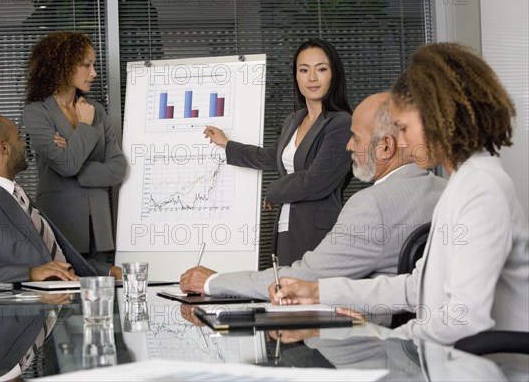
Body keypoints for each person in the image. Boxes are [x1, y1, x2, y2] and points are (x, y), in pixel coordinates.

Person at [271, 43, 529, 344]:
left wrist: (377, 335)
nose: (401, 142)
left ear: (438, 117)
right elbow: (417, 287)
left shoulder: (481, 190)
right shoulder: (462, 184)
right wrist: (318, 291)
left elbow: (462, 321)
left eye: (404, 127)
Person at [180, 92, 446, 298]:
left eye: (355, 137)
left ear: (385, 147)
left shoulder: (371, 205)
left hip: (370, 344)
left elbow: (303, 279)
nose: (348, 145)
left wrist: (213, 282)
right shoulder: (443, 192)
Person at [203, 39, 352, 265]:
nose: (312, 78)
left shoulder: (341, 123)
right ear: (296, 76)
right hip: (286, 226)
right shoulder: (294, 120)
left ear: (334, 75)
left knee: (308, 298)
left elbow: (316, 179)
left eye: (321, 69)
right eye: (304, 70)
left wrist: (273, 191)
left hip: (318, 233)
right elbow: (274, 157)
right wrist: (227, 144)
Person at [0, 115, 122, 286]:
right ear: (4, 148)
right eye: (19, 138)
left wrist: (107, 271)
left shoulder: (18, 196)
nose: (25, 145)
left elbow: (52, 259)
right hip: (25, 312)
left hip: (64, 301)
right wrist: (30, 274)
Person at [23, 31, 127, 260]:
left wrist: (72, 152)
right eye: (86, 65)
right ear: (63, 66)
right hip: (61, 226)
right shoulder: (36, 113)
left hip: (100, 231)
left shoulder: (96, 110)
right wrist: (83, 127)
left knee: (103, 293)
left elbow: (118, 168)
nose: (94, 73)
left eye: (94, 65)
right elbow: (66, 165)